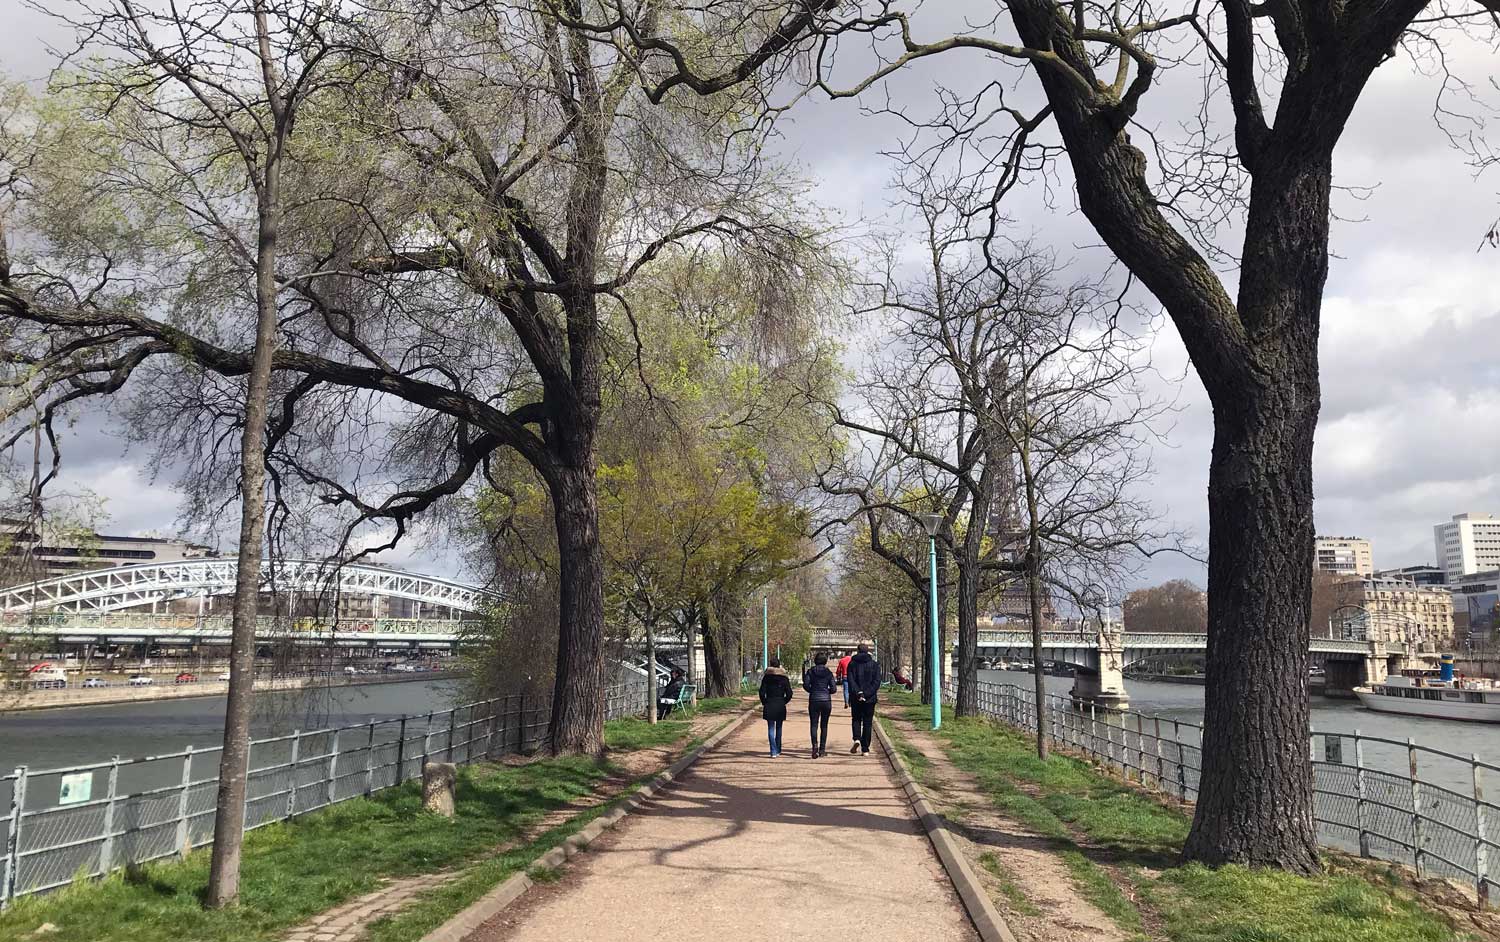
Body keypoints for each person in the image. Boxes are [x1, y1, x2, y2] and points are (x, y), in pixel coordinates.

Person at [846, 642, 881, 755]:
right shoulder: (874, 665)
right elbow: (876, 682)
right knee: (867, 722)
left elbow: (850, 680)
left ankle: (857, 738)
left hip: (856, 697)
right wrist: (866, 694)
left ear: (858, 651)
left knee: (856, 718)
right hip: (870, 698)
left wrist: (859, 693)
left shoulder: (852, 664)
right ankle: (865, 748)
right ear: (867, 651)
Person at [802, 652, 837, 758]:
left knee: (814, 724)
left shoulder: (810, 671)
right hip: (826, 700)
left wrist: (812, 691)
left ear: (815, 661)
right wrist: (827, 692)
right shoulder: (828, 673)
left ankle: (814, 747)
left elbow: (806, 685)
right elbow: (834, 689)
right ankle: (822, 749)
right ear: (825, 661)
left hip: (814, 700)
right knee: (824, 725)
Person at [758, 657, 793, 757]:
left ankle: (773, 750)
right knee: (779, 728)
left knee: (770, 728)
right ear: (779, 665)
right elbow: (789, 693)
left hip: (769, 702)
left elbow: (761, 692)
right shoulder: (784, 678)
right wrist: (784, 701)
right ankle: (778, 749)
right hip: (780, 704)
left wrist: (764, 702)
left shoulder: (766, 678)